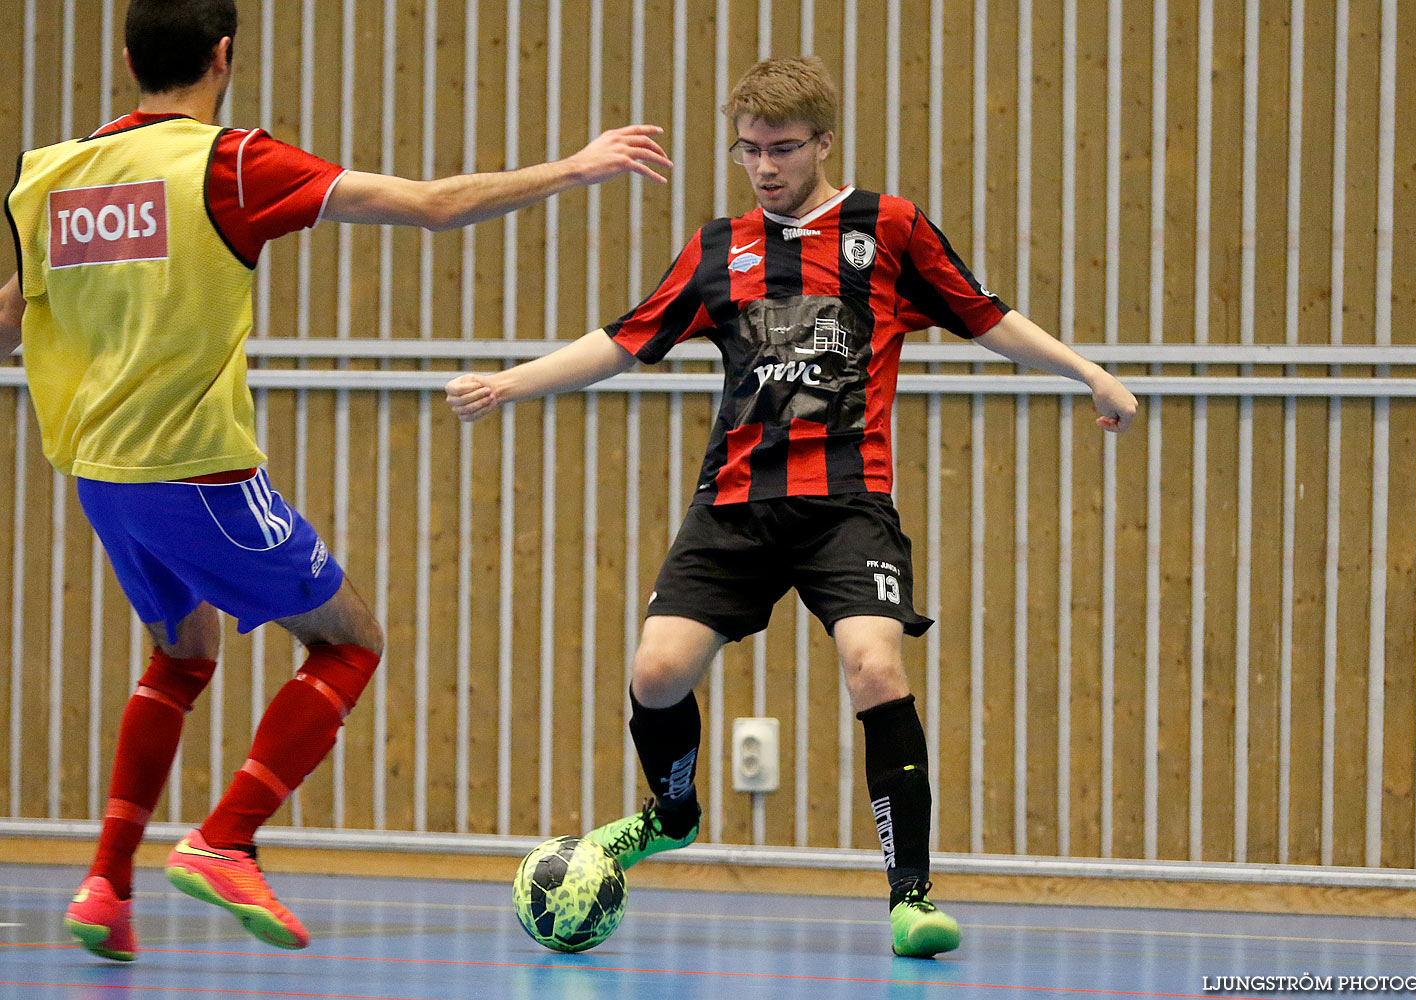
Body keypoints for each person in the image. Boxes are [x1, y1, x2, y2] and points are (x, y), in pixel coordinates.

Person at [0, 0, 670, 962]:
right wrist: (574, 165)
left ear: (126, 56)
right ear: (223, 55)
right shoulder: (227, 164)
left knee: (182, 657)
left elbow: (14, 315)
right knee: (350, 641)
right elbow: (434, 205)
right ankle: (227, 839)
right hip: (197, 470)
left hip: (102, 477)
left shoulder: (56, 176)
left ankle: (106, 885)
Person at [446, 55, 1137, 958]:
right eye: (747, 151)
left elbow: (985, 314)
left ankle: (911, 898)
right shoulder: (715, 248)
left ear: (823, 142)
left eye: (780, 149)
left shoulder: (886, 229)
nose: (764, 167)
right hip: (734, 506)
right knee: (657, 673)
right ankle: (672, 813)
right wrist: (509, 383)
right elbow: (623, 340)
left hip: (846, 502)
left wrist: (1088, 372)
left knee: (873, 667)